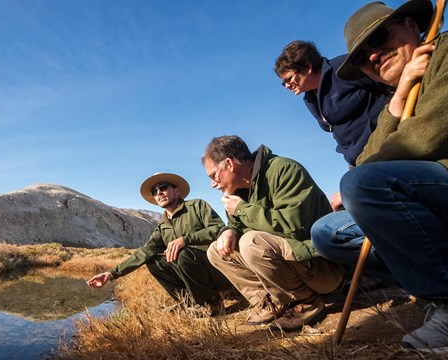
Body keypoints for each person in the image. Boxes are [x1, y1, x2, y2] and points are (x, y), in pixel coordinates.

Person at [311, 0, 448, 351]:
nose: (372, 54)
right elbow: (368, 160)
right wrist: (398, 99)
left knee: (363, 186)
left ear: (413, 26)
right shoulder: (398, 97)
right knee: (327, 233)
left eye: (379, 36)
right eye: (359, 57)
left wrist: (367, 171)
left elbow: (428, 138)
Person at [201, 135, 345, 332]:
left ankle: (306, 302)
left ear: (229, 164)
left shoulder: (284, 170)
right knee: (215, 250)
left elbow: (294, 226)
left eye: (213, 175)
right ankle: (273, 301)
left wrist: (243, 209)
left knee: (251, 242)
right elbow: (236, 225)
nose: (213, 184)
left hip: (322, 269)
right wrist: (228, 231)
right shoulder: (237, 192)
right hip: (291, 263)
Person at [87, 172, 230, 316]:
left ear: (177, 190)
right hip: (191, 274)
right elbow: (144, 252)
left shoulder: (197, 206)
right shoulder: (162, 226)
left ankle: (213, 302)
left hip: (216, 269)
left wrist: (185, 240)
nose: (159, 193)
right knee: (153, 261)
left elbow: (218, 229)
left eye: (163, 188)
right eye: (154, 192)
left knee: (183, 253)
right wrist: (110, 274)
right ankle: (190, 303)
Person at [274, 40, 391, 169]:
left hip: (387, 147)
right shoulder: (309, 99)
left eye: (288, 79)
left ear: (307, 67)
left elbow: (389, 84)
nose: (286, 86)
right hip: (357, 162)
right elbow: (331, 129)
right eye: (283, 83)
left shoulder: (344, 68)